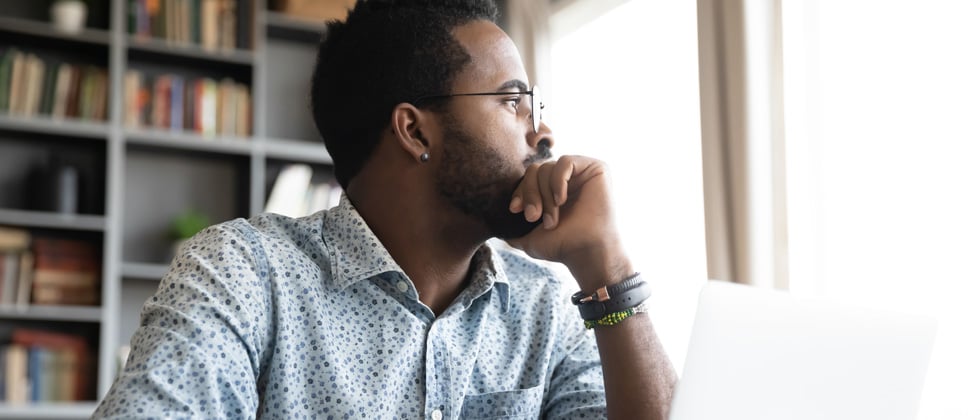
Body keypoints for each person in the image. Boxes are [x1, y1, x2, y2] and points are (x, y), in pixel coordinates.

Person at [93, 0, 676, 418]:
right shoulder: (246, 276)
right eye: (511, 102)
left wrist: (610, 271)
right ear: (414, 131)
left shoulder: (545, 308)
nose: (543, 133)